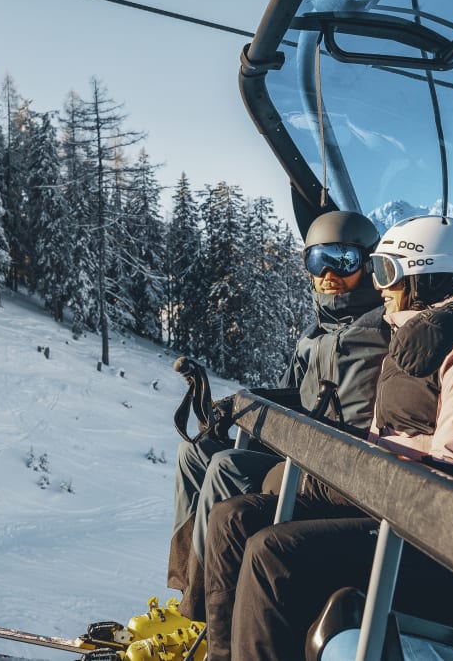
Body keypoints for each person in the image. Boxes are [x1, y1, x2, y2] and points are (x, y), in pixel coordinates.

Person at [200, 215, 453, 661]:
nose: (377, 282)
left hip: (441, 536)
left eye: (386, 270)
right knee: (234, 518)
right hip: (386, 502)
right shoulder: (407, 334)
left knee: (274, 551)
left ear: (428, 279)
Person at [169, 210, 390, 616]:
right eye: (317, 260)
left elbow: (442, 315)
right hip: (302, 449)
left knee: (227, 467)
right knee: (194, 455)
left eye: (343, 261)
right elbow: (294, 394)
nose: (328, 274)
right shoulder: (314, 334)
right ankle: (187, 584)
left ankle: (200, 609)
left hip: (341, 465)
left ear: (370, 263)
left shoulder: (384, 327)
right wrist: (240, 405)